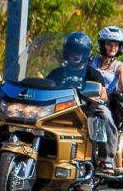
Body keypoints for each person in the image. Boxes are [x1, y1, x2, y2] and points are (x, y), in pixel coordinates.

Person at [48, 32, 118, 171]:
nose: (76, 54)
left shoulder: (93, 73)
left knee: (105, 115)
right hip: (60, 108)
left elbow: (103, 95)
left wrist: (93, 95)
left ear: (86, 54)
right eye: (73, 50)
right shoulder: (57, 73)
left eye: (80, 51)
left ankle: (107, 159)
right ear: (67, 52)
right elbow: (45, 86)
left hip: (88, 108)